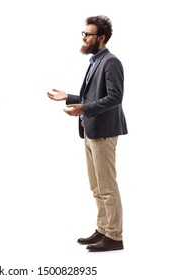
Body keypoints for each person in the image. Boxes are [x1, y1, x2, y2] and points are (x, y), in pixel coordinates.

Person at [47, 15, 127, 252]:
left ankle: (114, 236)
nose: (84, 38)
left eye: (88, 34)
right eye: (83, 34)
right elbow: (94, 96)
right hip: (91, 131)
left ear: (100, 38)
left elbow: (115, 97)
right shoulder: (95, 61)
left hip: (103, 132)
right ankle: (103, 229)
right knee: (96, 186)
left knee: (107, 187)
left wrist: (84, 108)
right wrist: (71, 98)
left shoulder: (111, 62)